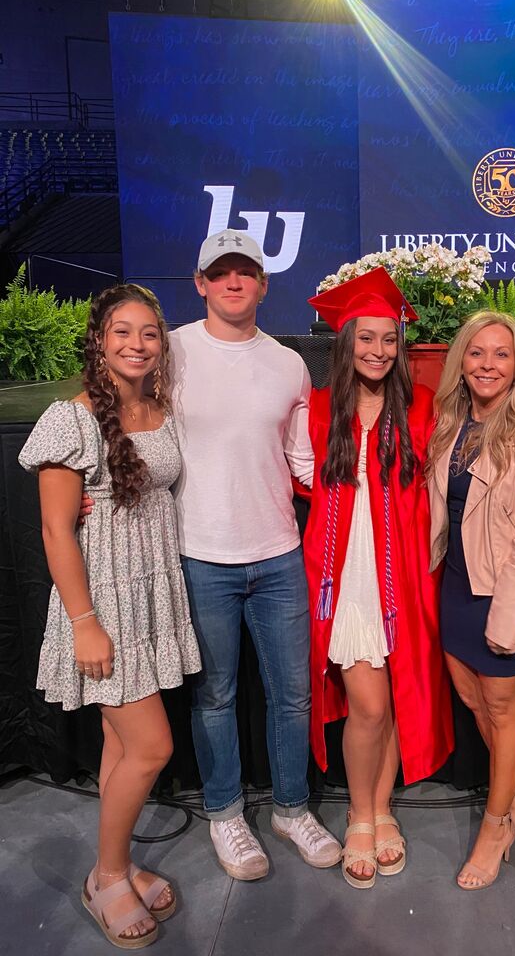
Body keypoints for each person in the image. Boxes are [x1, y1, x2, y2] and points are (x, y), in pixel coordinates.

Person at [82, 230, 341, 880]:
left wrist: (359, 486)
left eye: (245, 272)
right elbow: (116, 414)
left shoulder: (288, 364)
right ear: (199, 283)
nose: (233, 282)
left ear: (263, 282)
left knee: (293, 697)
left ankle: (290, 808)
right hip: (197, 560)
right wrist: (93, 483)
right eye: (220, 272)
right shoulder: (167, 351)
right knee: (214, 697)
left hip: (280, 555)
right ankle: (225, 814)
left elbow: (302, 458)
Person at [19, 284, 202, 949]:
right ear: (99, 339)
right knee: (152, 745)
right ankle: (109, 875)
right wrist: (84, 621)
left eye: (149, 333)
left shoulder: (160, 407)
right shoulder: (70, 420)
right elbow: (54, 530)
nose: (137, 344)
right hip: (103, 603)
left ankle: (114, 867)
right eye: (122, 332)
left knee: (124, 745)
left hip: (152, 594)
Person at [304, 266, 454, 889]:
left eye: (389, 339)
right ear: (345, 343)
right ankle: (359, 814)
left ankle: (383, 808)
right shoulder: (313, 411)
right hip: (346, 579)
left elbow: (450, 483)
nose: (378, 350)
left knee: (392, 698)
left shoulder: (421, 408)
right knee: (367, 705)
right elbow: (285, 485)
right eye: (366, 338)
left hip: (406, 579)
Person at [427, 311, 515, 891]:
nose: (487, 364)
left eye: (501, 354)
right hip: (457, 585)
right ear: (462, 361)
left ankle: (496, 824)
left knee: (503, 710)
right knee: (472, 700)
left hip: (506, 592)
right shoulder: (450, 422)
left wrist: (507, 618)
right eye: (477, 353)